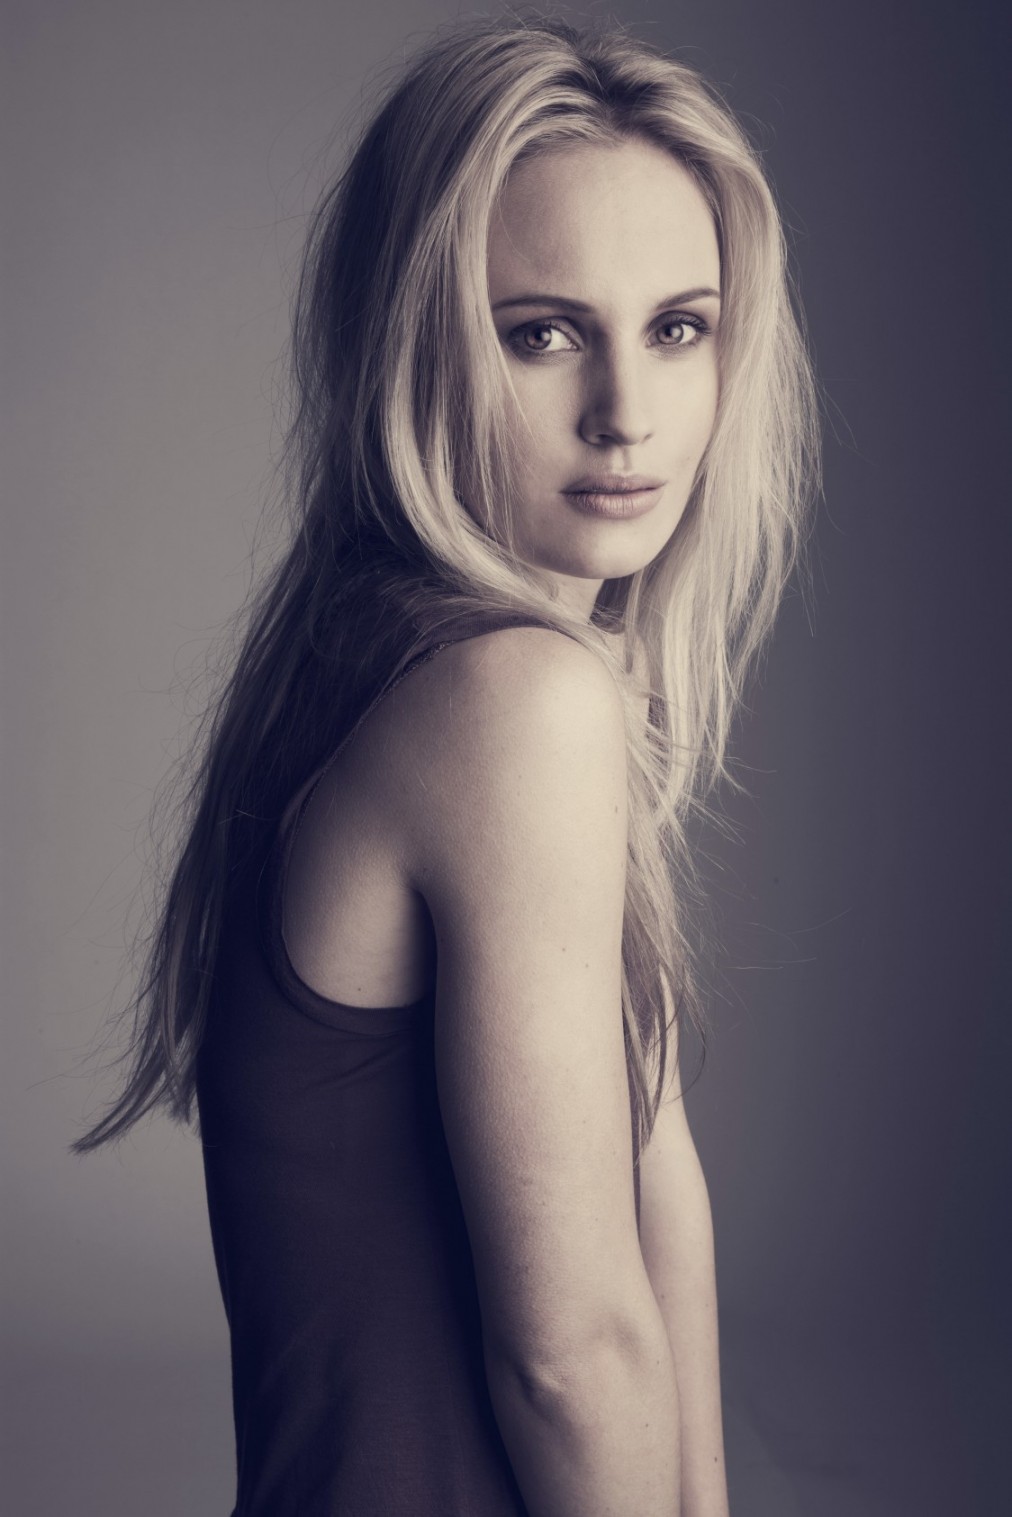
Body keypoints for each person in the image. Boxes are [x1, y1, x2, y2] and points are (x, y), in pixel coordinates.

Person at [76, 16, 819, 1517]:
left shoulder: (414, 665)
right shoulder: (508, 704)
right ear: (416, 343)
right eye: (542, 332)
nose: (627, 412)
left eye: (679, 327)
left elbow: (658, 1206)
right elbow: (572, 1352)